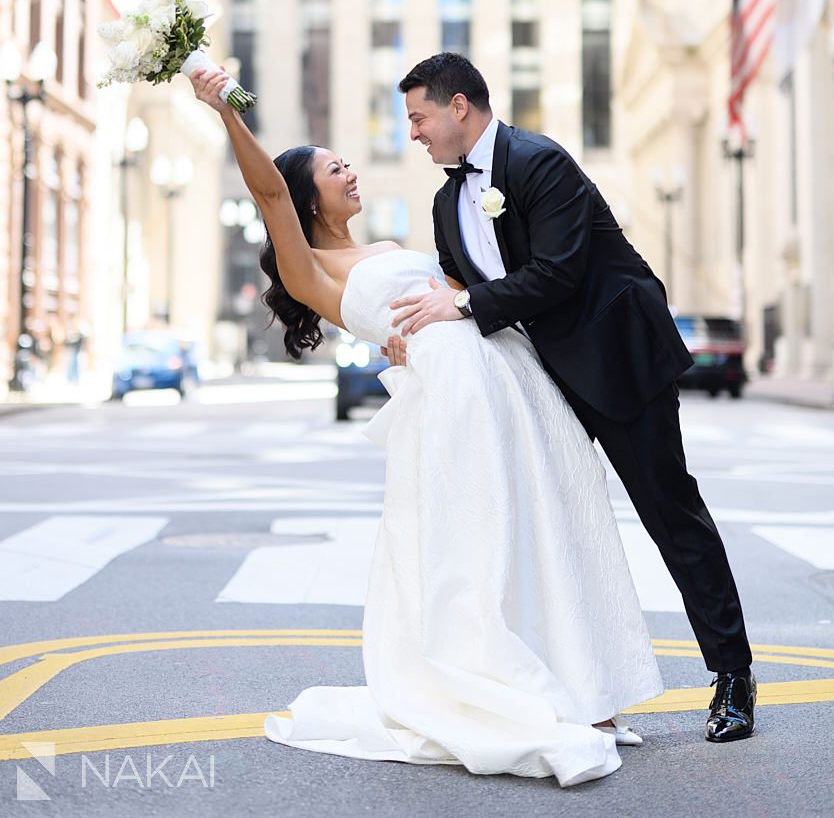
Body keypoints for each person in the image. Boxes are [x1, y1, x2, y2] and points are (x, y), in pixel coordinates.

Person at [190, 66, 664, 789]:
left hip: (508, 377)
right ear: (306, 197)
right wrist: (227, 110)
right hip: (454, 399)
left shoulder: (384, 248)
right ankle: (517, 689)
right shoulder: (310, 265)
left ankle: (583, 691)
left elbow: (469, 293)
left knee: (548, 525)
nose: (351, 172)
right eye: (334, 169)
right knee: (483, 540)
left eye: (346, 163)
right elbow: (268, 193)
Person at [383, 53, 756, 744]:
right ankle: (567, 684)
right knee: (538, 527)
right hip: (539, 379)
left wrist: (460, 305)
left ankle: (733, 674)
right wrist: (413, 334)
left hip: (617, 359)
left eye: (418, 117)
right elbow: (451, 291)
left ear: (459, 106)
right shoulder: (444, 203)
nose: (413, 133)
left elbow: (556, 272)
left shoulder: (539, 162)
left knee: (671, 514)